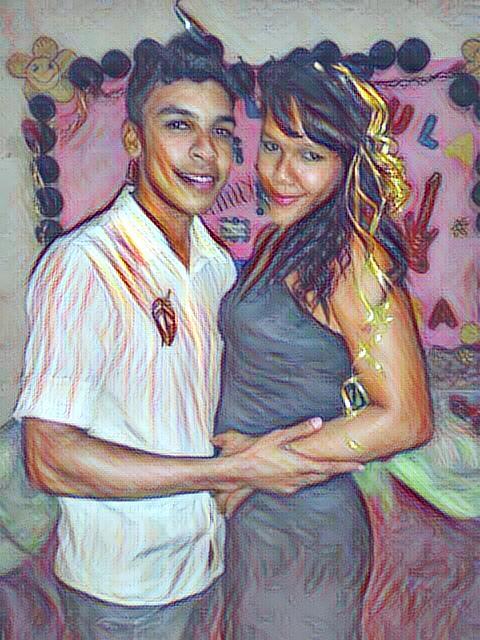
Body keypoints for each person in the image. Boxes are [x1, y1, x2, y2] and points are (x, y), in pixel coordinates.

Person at [13, 35, 360, 640]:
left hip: (208, 567)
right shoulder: (83, 265)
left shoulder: (216, 265)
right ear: (133, 139)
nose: (205, 152)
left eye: (221, 132)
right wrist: (229, 471)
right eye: (179, 125)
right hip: (123, 593)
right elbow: (48, 458)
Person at [213, 49, 433, 639]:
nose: (281, 173)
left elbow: (408, 418)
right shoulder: (285, 240)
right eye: (272, 146)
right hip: (257, 519)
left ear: (347, 162)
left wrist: (256, 466)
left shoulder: (351, 259)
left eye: (310, 155)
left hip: (304, 529)